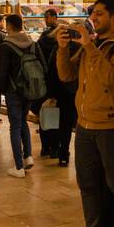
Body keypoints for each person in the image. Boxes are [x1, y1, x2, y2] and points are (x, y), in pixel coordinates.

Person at [57, 0, 114, 227]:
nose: (95, 18)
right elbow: (66, 75)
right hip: (85, 125)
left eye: (100, 14)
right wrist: (63, 48)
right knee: (87, 184)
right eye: (93, 13)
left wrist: (89, 45)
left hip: (112, 126)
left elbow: (108, 77)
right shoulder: (92, 45)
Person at [0, 14, 46, 177]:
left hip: (13, 91)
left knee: (15, 126)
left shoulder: (6, 46)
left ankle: (18, 167)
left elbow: (2, 71)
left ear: (9, 26)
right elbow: (43, 66)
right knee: (23, 121)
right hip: (30, 90)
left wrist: (2, 89)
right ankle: (28, 157)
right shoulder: (32, 43)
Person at [38, 9, 77, 166]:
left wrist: (50, 92)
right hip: (70, 92)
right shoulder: (75, 49)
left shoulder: (49, 45)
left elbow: (51, 72)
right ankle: (63, 153)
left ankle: (49, 148)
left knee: (51, 121)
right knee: (66, 124)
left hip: (56, 91)